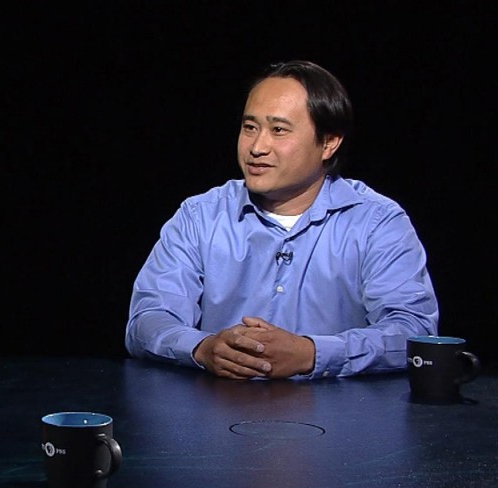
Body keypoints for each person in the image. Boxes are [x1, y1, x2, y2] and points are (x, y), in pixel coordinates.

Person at [125, 60, 438, 380]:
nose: (257, 147)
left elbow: (413, 332)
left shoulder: (377, 223)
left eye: (278, 130)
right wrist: (203, 348)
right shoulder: (200, 216)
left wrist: (313, 353)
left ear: (329, 142)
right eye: (250, 127)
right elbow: (147, 321)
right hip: (216, 415)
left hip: (339, 421)